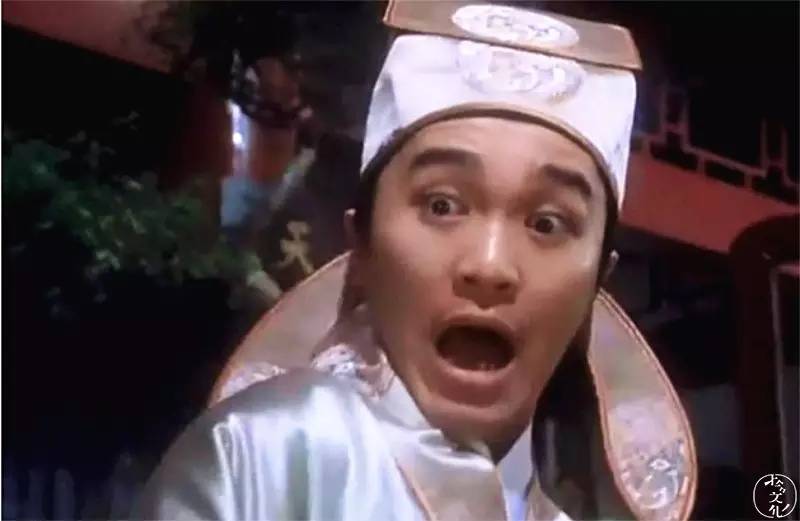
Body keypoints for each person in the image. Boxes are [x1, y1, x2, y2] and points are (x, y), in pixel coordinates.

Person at [135, 2, 697, 520]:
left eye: (547, 224)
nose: (490, 265)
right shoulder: (265, 456)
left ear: (598, 281)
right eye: (442, 205)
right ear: (363, 246)